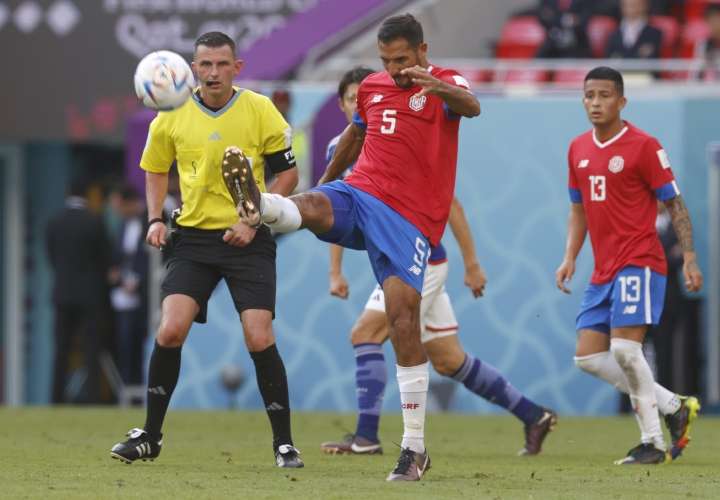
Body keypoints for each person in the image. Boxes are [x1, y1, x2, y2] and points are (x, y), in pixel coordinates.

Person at [225, 13, 480, 481]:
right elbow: (354, 136)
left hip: (410, 221)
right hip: (360, 193)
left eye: (402, 59)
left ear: (422, 51)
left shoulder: (442, 81)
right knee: (312, 205)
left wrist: (434, 86)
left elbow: (472, 105)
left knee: (404, 322)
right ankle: (261, 203)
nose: (395, 69)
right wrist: (324, 186)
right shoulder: (373, 88)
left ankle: (414, 448)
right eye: (386, 60)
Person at [109, 31, 302, 468]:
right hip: (193, 240)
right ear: (192, 69)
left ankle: (284, 444)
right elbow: (155, 169)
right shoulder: (171, 114)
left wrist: (253, 218)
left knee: (259, 336)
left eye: (221, 64)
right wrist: (156, 218)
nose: (213, 72)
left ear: (237, 67)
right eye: (205, 65)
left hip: (248, 240)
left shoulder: (259, 109)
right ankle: (150, 437)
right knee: (170, 330)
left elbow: (288, 176)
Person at [321, 196, 557, 456]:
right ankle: (533, 415)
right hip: (399, 263)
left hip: (417, 263)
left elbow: (451, 204)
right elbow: (334, 208)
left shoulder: (397, 154)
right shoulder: (339, 155)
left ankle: (366, 438)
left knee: (365, 334)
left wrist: (472, 264)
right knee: (450, 361)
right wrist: (335, 271)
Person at [555, 66, 702, 465]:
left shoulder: (643, 146)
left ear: (622, 101)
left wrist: (688, 256)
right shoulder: (577, 149)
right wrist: (570, 256)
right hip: (603, 269)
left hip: (640, 261)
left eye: (604, 95)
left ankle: (652, 442)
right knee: (587, 358)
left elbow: (675, 203)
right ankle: (674, 405)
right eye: (589, 95)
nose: (596, 103)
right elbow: (578, 210)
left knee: (624, 350)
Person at [47, 177, 112, 404]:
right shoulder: (94, 221)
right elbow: (106, 258)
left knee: (61, 348)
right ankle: (92, 397)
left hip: (62, 293)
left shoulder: (55, 221)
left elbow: (52, 257)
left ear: (67, 193)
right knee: (91, 348)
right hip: (90, 294)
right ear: (87, 195)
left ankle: (56, 398)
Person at [109, 184, 149, 387]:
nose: (117, 212)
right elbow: (120, 255)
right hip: (125, 294)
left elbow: (153, 258)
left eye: (119, 206)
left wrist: (139, 281)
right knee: (125, 343)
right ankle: (126, 390)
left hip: (146, 295)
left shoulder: (151, 218)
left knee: (144, 344)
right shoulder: (123, 224)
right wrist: (115, 272)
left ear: (130, 203)